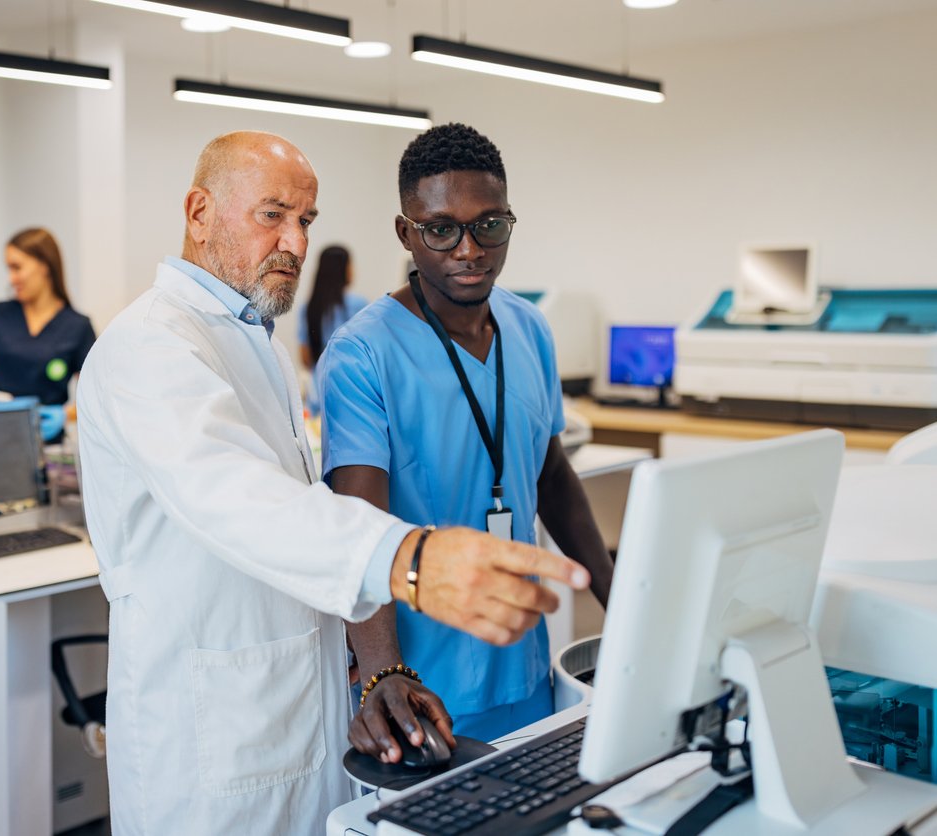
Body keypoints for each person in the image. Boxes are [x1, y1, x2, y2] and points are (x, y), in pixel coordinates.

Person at [75, 130, 593, 836]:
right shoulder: (150, 345)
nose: (294, 240)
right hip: (209, 739)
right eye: (271, 215)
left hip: (297, 714)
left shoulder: (252, 338)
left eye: (306, 220)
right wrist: (410, 560)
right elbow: (235, 498)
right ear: (199, 213)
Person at [319, 123, 615, 762]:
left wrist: (617, 598)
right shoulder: (362, 355)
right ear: (406, 232)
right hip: (424, 684)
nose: (468, 249)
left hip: (524, 662)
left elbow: (550, 472)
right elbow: (356, 526)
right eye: (440, 228)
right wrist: (384, 675)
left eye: (489, 225)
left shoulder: (529, 327)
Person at [0, 227, 96, 435]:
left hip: (45, 443)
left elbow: (96, 399)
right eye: (8, 269)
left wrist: (62, 414)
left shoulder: (78, 326)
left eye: (17, 268)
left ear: (44, 265)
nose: (11, 278)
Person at [296, 245, 367, 416]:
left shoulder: (308, 308)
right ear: (345, 269)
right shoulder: (359, 306)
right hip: (350, 391)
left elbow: (305, 357)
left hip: (317, 394)